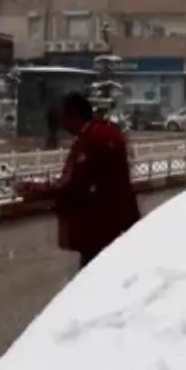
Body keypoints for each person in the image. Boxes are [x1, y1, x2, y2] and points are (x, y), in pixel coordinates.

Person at [17, 92, 141, 270]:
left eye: (63, 117)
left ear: (74, 114)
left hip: (98, 227)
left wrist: (36, 190)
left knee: (94, 276)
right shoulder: (103, 131)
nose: (62, 124)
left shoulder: (92, 139)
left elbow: (74, 184)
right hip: (113, 224)